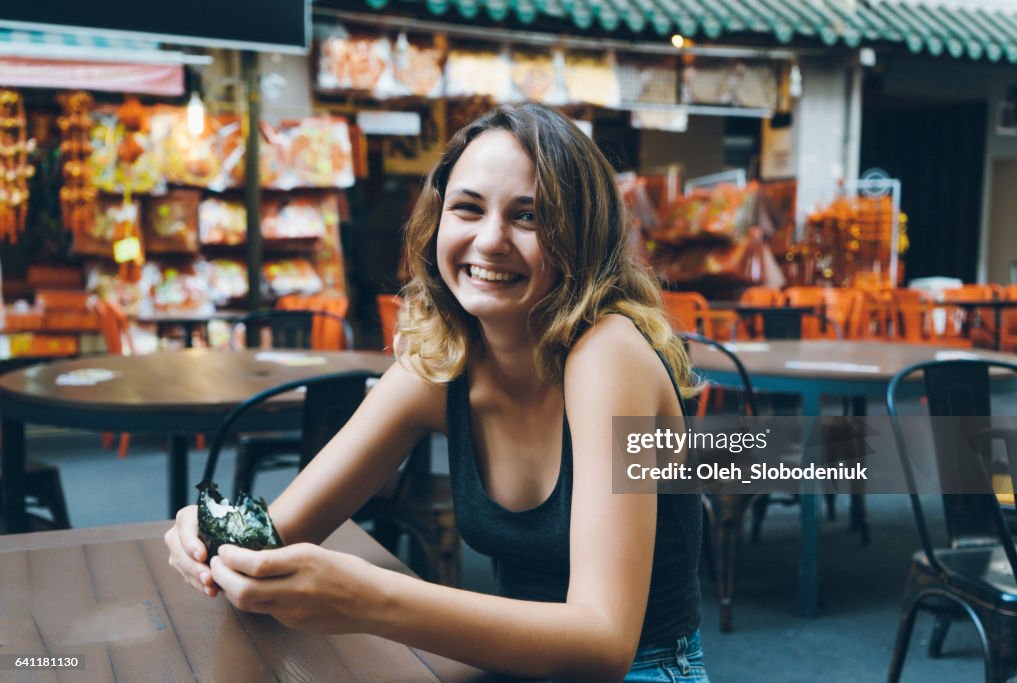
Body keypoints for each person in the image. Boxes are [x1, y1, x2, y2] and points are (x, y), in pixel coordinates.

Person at [166, 102, 707, 682]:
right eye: (468, 210)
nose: (491, 240)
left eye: (529, 217)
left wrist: (375, 600)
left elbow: (604, 643)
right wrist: (212, 536)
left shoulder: (608, 353)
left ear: (584, 235)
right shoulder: (437, 370)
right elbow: (278, 535)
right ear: (437, 224)